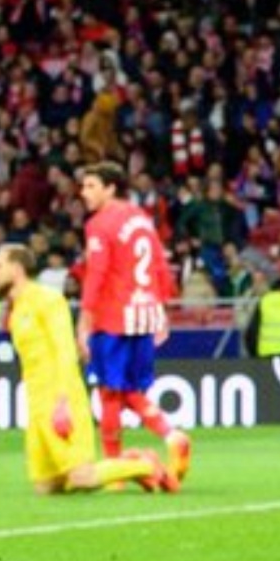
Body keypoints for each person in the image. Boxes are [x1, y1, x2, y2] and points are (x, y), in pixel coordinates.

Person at [0, 243, 177, 496]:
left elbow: (65, 351)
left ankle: (144, 466)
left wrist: (63, 401)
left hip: (60, 398)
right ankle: (128, 463)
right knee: (46, 487)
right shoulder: (16, 312)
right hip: (36, 405)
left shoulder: (47, 299)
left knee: (82, 477)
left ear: (16, 268)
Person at [77, 161, 193, 485]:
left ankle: (114, 471)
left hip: (113, 316)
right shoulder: (141, 219)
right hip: (144, 313)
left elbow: (97, 272)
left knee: (109, 391)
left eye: (90, 186)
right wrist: (162, 308)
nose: (83, 193)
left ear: (110, 188)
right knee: (128, 389)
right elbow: (159, 264)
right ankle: (171, 437)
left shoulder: (100, 224)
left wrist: (84, 318)